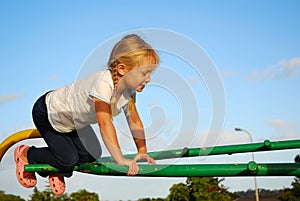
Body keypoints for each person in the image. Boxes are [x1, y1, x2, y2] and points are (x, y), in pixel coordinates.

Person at [14, 34, 159, 196]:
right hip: (49, 112)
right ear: (122, 69)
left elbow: (134, 121)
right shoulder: (104, 82)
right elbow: (105, 123)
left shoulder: (128, 92)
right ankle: (27, 154)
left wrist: (142, 150)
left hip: (74, 123)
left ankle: (57, 169)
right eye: (144, 73)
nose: (148, 79)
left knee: (91, 155)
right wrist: (119, 159)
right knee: (67, 159)